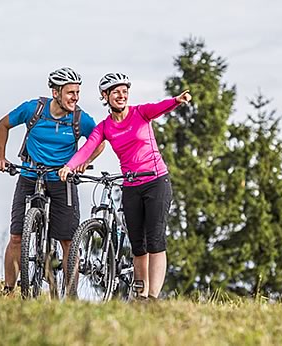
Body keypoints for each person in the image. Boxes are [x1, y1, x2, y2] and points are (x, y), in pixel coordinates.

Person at [58, 72, 191, 299]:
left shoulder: (141, 113)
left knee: (155, 239)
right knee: (138, 244)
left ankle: (152, 297)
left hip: (156, 181)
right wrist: (69, 166)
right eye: (116, 92)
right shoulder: (105, 127)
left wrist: (176, 101)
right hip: (130, 185)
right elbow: (88, 147)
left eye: (125, 92)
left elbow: (160, 107)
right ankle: (141, 295)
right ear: (105, 96)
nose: (122, 96)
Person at [0, 67, 105, 294]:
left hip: (63, 179)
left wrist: (82, 160)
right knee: (16, 236)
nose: (75, 97)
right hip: (30, 175)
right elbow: (3, 125)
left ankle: (70, 296)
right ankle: (8, 291)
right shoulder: (33, 109)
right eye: (70, 92)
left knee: (68, 242)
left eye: (78, 92)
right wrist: (0, 156)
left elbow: (98, 141)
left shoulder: (80, 119)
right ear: (56, 93)